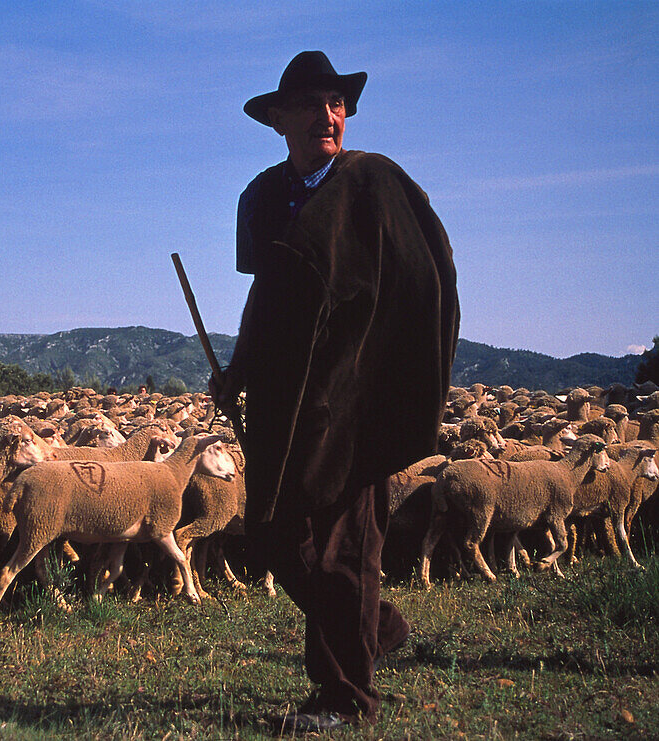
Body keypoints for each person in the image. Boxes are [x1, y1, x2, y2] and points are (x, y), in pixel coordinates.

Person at [210, 51, 460, 731]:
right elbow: (265, 295)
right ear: (280, 120)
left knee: (346, 548)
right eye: (315, 105)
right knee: (272, 536)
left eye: (338, 104)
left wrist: (389, 376)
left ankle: (345, 699)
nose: (329, 116)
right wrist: (237, 372)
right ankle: (374, 624)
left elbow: (426, 281)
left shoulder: (373, 185)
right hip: (283, 402)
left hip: (351, 401)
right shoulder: (262, 198)